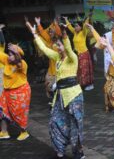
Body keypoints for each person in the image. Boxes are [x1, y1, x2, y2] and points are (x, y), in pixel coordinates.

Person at [26, 22, 85, 159]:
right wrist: (34, 33)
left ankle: (78, 152)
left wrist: (64, 36)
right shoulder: (57, 57)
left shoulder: (72, 58)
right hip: (59, 95)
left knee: (76, 123)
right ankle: (60, 147)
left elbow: (69, 49)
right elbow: (43, 48)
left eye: (59, 45)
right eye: (57, 45)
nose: (57, 47)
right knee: (55, 121)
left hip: (74, 95)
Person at [87, 23, 114, 112]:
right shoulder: (106, 47)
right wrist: (92, 29)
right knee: (108, 90)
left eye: (106, 38)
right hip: (111, 76)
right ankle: (112, 107)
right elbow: (99, 39)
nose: (104, 40)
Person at [0, 32, 31, 141]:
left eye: (12, 54)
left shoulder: (22, 64)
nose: (9, 56)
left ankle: (24, 131)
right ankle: (4, 132)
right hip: (7, 92)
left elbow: (18, 62)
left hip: (20, 92)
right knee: (2, 110)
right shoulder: (7, 61)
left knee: (19, 113)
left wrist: (15, 50)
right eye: (9, 53)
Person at [63, 16, 94, 91]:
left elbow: (85, 25)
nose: (75, 27)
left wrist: (87, 19)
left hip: (84, 54)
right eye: (75, 26)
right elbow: (70, 27)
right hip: (77, 54)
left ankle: (87, 84)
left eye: (77, 26)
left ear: (81, 27)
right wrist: (66, 19)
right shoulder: (75, 32)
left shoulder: (83, 32)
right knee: (78, 70)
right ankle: (80, 84)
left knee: (84, 70)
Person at [34, 17, 62, 99]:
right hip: (51, 68)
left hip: (59, 68)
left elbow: (59, 33)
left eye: (51, 31)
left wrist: (56, 24)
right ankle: (53, 99)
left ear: (56, 32)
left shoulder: (59, 43)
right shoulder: (49, 40)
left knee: (59, 88)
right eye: (49, 31)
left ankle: (58, 100)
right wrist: (38, 23)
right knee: (48, 84)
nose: (50, 32)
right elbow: (42, 32)